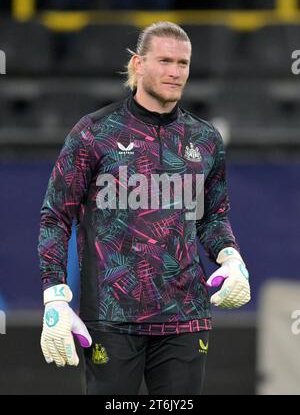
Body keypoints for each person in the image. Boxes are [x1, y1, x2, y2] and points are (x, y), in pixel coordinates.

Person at [38, 21, 251, 395]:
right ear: (138, 64)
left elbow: (213, 216)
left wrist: (231, 259)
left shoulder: (205, 139)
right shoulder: (93, 133)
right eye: (165, 60)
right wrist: (53, 294)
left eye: (183, 63)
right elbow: (55, 217)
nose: (175, 72)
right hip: (110, 318)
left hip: (185, 317)